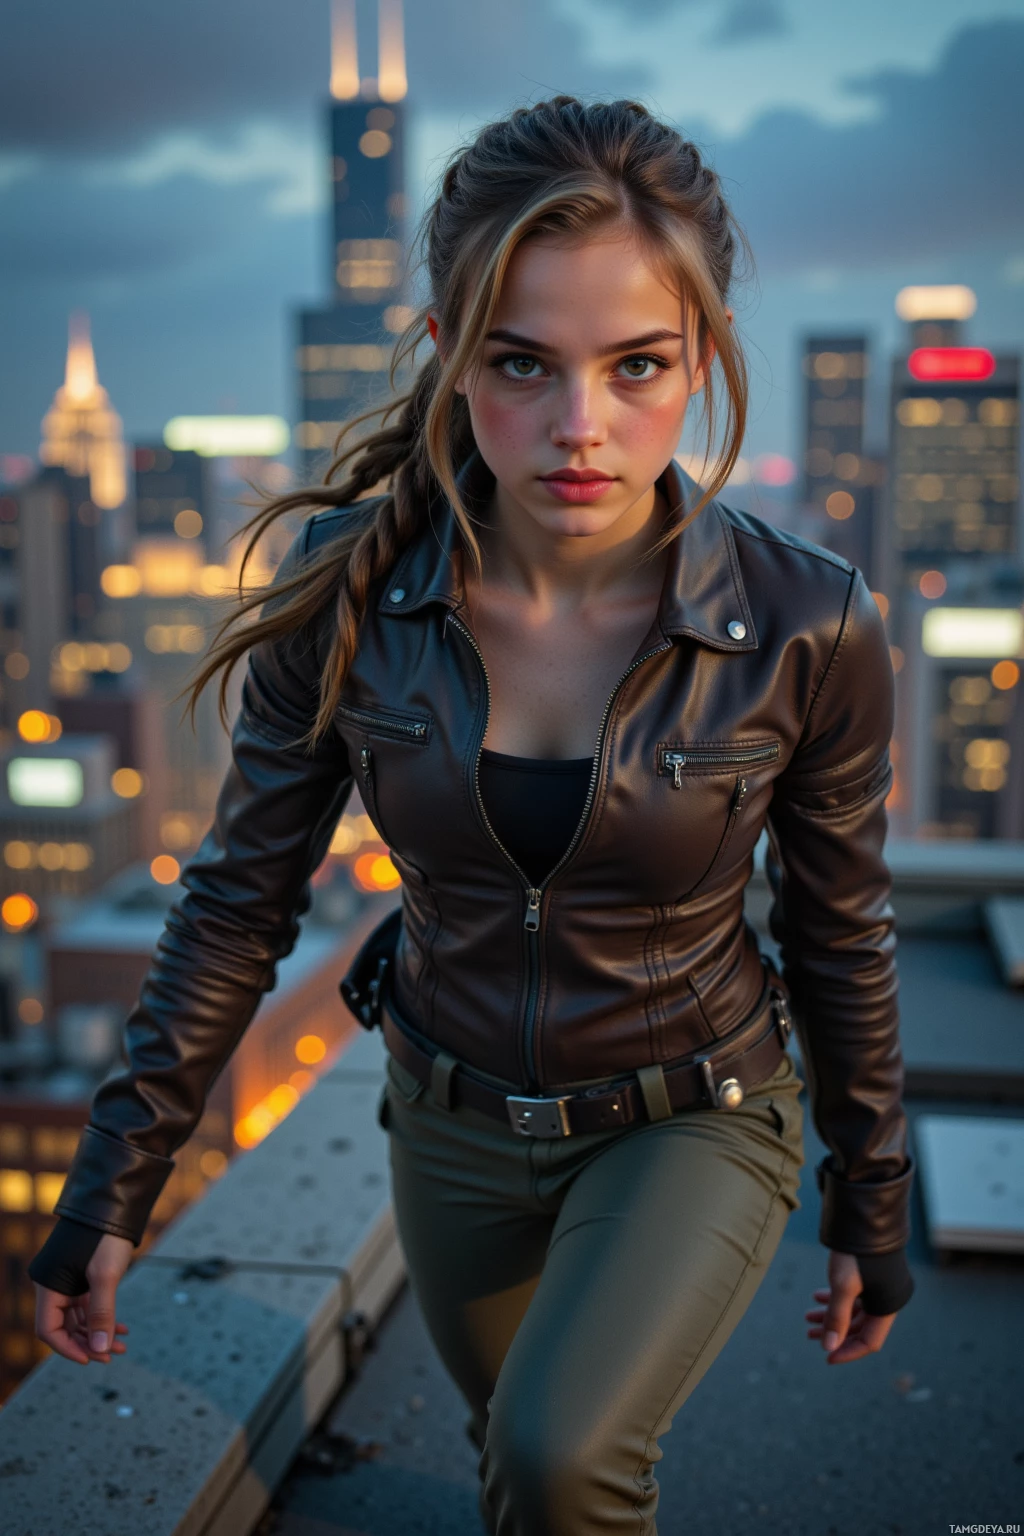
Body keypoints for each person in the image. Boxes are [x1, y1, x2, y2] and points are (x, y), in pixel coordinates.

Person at [31, 96, 914, 1533]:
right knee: (521, 1457)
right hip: (443, 1123)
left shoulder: (810, 620)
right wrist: (111, 1193)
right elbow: (238, 902)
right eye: (524, 364)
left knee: (568, 1460)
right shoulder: (350, 591)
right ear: (452, 359)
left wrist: (870, 1199)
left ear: (700, 362)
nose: (581, 427)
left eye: (638, 368)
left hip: (693, 1111)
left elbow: (841, 930)